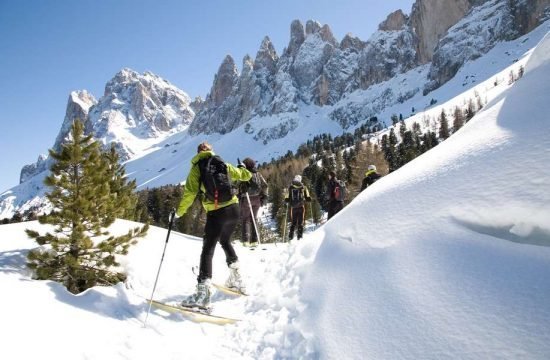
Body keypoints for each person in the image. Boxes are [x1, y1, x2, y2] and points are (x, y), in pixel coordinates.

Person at [175, 141, 252, 308]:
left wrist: (178, 212)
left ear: (198, 153)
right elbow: (246, 176)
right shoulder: (222, 162)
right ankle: (237, 278)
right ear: (211, 151)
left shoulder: (197, 168)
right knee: (225, 241)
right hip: (234, 209)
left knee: (208, 249)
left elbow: (189, 194)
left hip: (217, 212)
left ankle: (202, 294)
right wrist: (243, 168)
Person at [237, 158, 268, 247]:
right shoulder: (258, 174)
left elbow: (236, 185)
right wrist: (264, 196)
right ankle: (255, 240)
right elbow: (265, 185)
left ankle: (246, 241)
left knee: (245, 219)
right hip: (257, 199)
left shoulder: (244, 174)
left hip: (246, 198)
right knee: (254, 219)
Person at [284, 175, 311, 240]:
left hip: (293, 208)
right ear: (300, 180)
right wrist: (309, 199)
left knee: (293, 222)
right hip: (301, 207)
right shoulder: (303, 187)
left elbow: (286, 197)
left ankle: (290, 237)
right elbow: (308, 197)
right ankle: (299, 237)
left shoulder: (290, 187)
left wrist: (287, 200)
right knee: (300, 222)